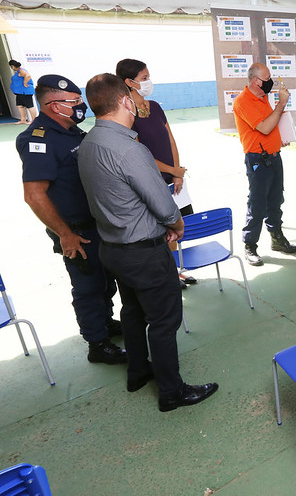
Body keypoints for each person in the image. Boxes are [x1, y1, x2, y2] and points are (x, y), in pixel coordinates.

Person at [78, 73, 218, 412]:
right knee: (164, 321)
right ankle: (172, 392)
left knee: (132, 312)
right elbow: (162, 203)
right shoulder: (130, 149)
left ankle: (138, 373)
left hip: (112, 249)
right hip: (144, 252)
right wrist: (176, 224)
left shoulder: (88, 144)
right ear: (126, 101)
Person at [15, 74, 125, 365]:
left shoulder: (72, 132)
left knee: (104, 281)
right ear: (54, 105)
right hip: (75, 230)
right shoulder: (38, 140)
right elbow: (34, 195)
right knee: (88, 285)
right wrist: (64, 234)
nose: (81, 106)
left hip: (97, 224)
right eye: (74, 101)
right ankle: (97, 344)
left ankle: (106, 322)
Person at [116, 58, 195, 289]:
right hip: (150, 180)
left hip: (173, 180)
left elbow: (170, 139)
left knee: (177, 226)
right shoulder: (126, 113)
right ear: (129, 82)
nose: (149, 82)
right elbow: (139, 153)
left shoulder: (156, 107)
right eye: (144, 78)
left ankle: (176, 269)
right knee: (160, 232)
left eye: (149, 76)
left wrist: (177, 173)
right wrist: (172, 170)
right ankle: (167, 276)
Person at [233, 62, 296, 266]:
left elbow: (272, 125)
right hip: (257, 161)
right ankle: (250, 245)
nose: (271, 82)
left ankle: (276, 238)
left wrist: (281, 138)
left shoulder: (263, 98)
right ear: (255, 81)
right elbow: (265, 127)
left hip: (274, 156)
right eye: (267, 79)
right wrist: (281, 104)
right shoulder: (243, 101)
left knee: (276, 200)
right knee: (257, 203)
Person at [8, 60, 37, 124]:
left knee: (30, 106)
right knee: (19, 105)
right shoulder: (18, 72)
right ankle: (23, 120)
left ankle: (33, 120)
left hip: (25, 92)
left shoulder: (21, 70)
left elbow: (28, 75)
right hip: (20, 93)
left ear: (12, 66)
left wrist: (25, 82)